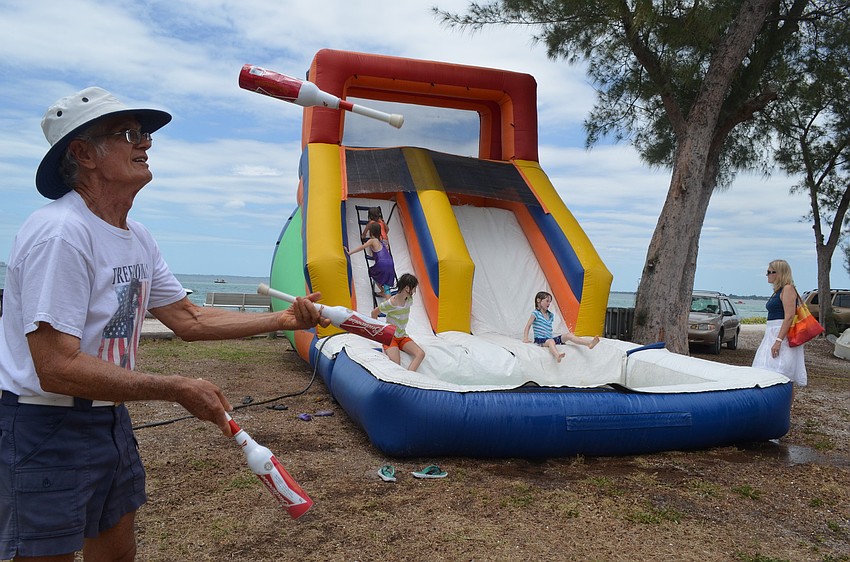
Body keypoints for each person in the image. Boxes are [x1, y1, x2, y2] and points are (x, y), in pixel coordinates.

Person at [0, 87, 330, 561]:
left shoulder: (137, 238)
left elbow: (188, 318)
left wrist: (281, 318)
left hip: (107, 420)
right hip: (43, 424)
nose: (147, 144)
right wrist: (173, 386)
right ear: (82, 155)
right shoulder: (61, 234)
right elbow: (54, 366)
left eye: (147, 133)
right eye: (130, 133)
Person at [752, 259, 807, 390]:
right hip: (772, 332)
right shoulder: (778, 291)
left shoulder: (788, 289)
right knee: (766, 370)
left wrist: (778, 340)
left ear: (780, 273)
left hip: (781, 334)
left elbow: (789, 316)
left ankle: (785, 409)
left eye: (770, 272)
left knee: (783, 373)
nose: (767, 275)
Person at [523, 291, 599, 362]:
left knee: (569, 335)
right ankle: (557, 355)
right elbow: (528, 326)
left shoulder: (550, 315)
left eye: (550, 301)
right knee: (551, 341)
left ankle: (589, 343)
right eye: (547, 301)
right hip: (540, 340)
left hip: (549, 339)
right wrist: (526, 338)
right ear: (538, 300)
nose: (549, 303)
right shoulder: (535, 313)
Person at [371, 273, 425, 371]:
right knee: (396, 365)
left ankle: (409, 376)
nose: (415, 291)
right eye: (414, 288)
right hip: (390, 337)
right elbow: (374, 313)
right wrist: (378, 333)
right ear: (407, 288)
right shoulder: (391, 303)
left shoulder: (409, 299)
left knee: (420, 354)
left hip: (402, 336)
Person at [346, 222, 396, 299]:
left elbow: (362, 247)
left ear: (371, 232)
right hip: (390, 262)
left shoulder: (372, 240)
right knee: (387, 286)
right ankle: (388, 300)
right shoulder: (381, 241)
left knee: (372, 272)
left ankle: (382, 291)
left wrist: (350, 253)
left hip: (382, 263)